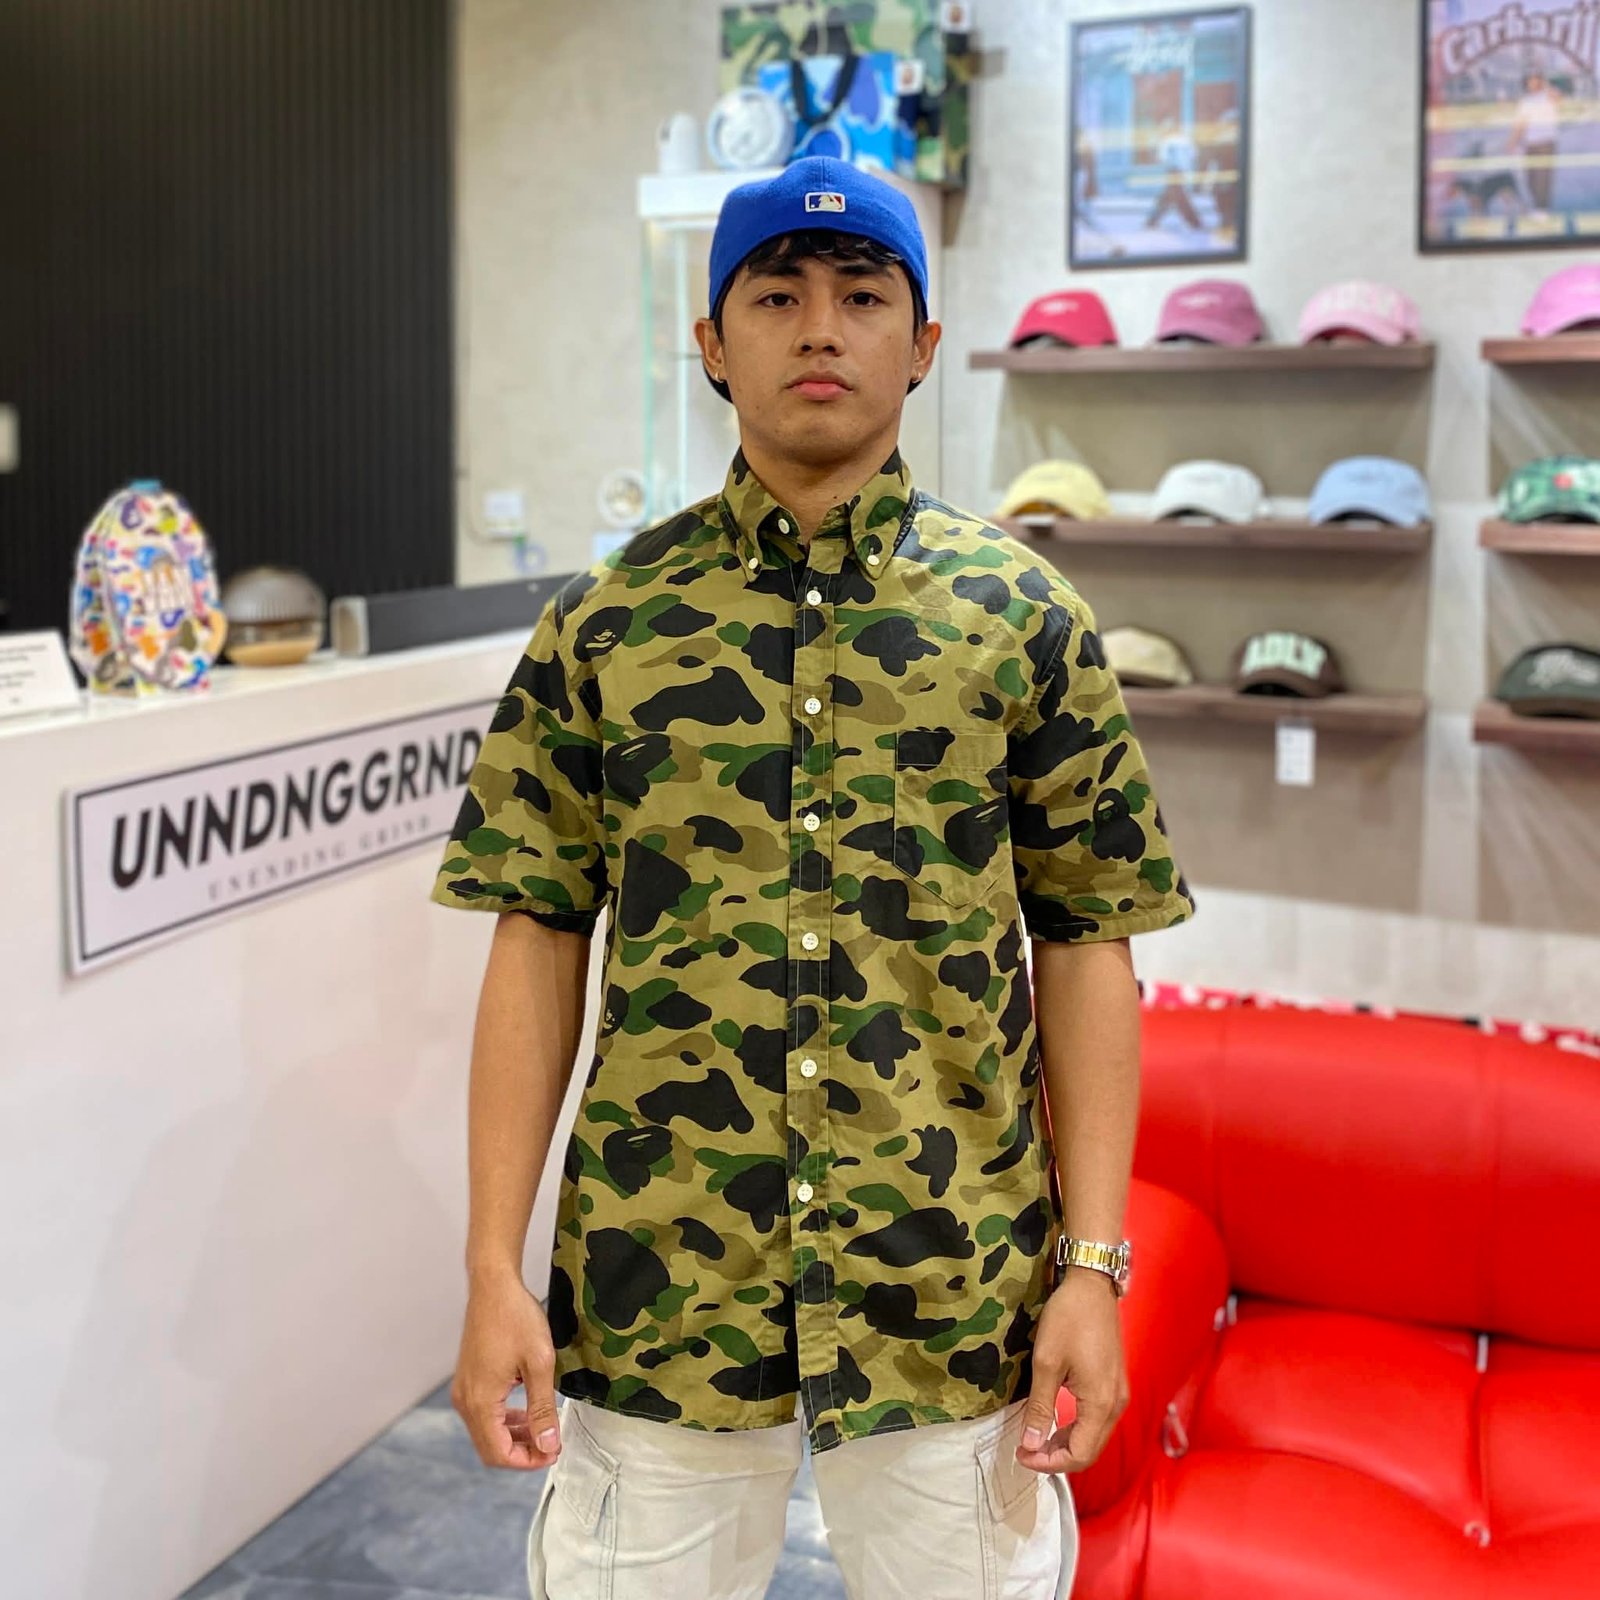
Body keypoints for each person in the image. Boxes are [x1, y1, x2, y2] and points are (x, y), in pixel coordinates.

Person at [433, 154, 1197, 1599]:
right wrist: (490, 1267)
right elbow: (534, 935)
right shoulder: (605, 625)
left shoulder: (1021, 617)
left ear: (923, 342)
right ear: (713, 345)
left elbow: (1089, 939)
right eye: (776, 297)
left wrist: (1093, 1267)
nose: (821, 328)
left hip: (952, 1283)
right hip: (664, 1278)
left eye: (862, 295)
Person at [1508, 70, 1562, 216]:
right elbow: (1520, 124)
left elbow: (1558, 98)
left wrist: (1546, 85)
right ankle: (1536, 207)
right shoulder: (1525, 101)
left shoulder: (1549, 95)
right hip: (1530, 144)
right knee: (1530, 177)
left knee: (1543, 178)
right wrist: (1512, 142)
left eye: (1535, 80)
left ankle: (1542, 209)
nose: (1531, 83)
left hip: (1546, 142)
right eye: (1529, 80)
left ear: (1540, 81)